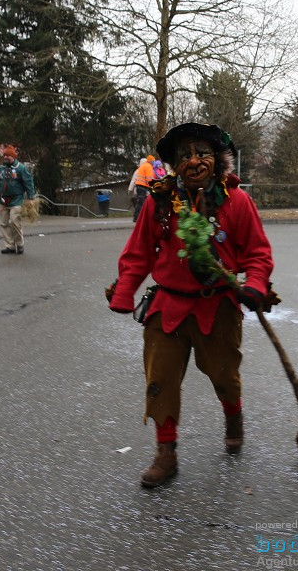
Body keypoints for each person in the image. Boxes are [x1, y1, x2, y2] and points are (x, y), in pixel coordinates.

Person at [107, 123, 274, 488]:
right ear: (175, 164)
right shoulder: (159, 202)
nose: (194, 161)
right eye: (185, 155)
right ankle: (166, 454)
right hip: (167, 307)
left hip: (218, 307)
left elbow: (258, 252)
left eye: (202, 154)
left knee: (224, 376)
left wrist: (256, 285)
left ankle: (234, 415)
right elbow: (137, 254)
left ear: (217, 161)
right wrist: (124, 291)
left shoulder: (238, 201)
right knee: (160, 380)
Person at [0, 145, 35, 255]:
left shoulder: (21, 168)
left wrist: (31, 198)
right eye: (4, 155)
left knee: (15, 221)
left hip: (17, 200)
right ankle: (10, 246)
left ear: (13, 156)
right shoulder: (0, 169)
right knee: (4, 223)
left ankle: (19, 244)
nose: (5, 157)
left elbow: (28, 183)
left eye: (8, 155)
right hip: (3, 200)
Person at [129, 155, 157, 223]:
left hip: (139, 186)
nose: (154, 162)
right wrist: (151, 187)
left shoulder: (144, 166)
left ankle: (138, 217)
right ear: (151, 161)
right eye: (153, 161)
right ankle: (137, 217)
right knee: (141, 202)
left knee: (141, 202)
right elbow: (149, 178)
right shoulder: (148, 167)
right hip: (142, 186)